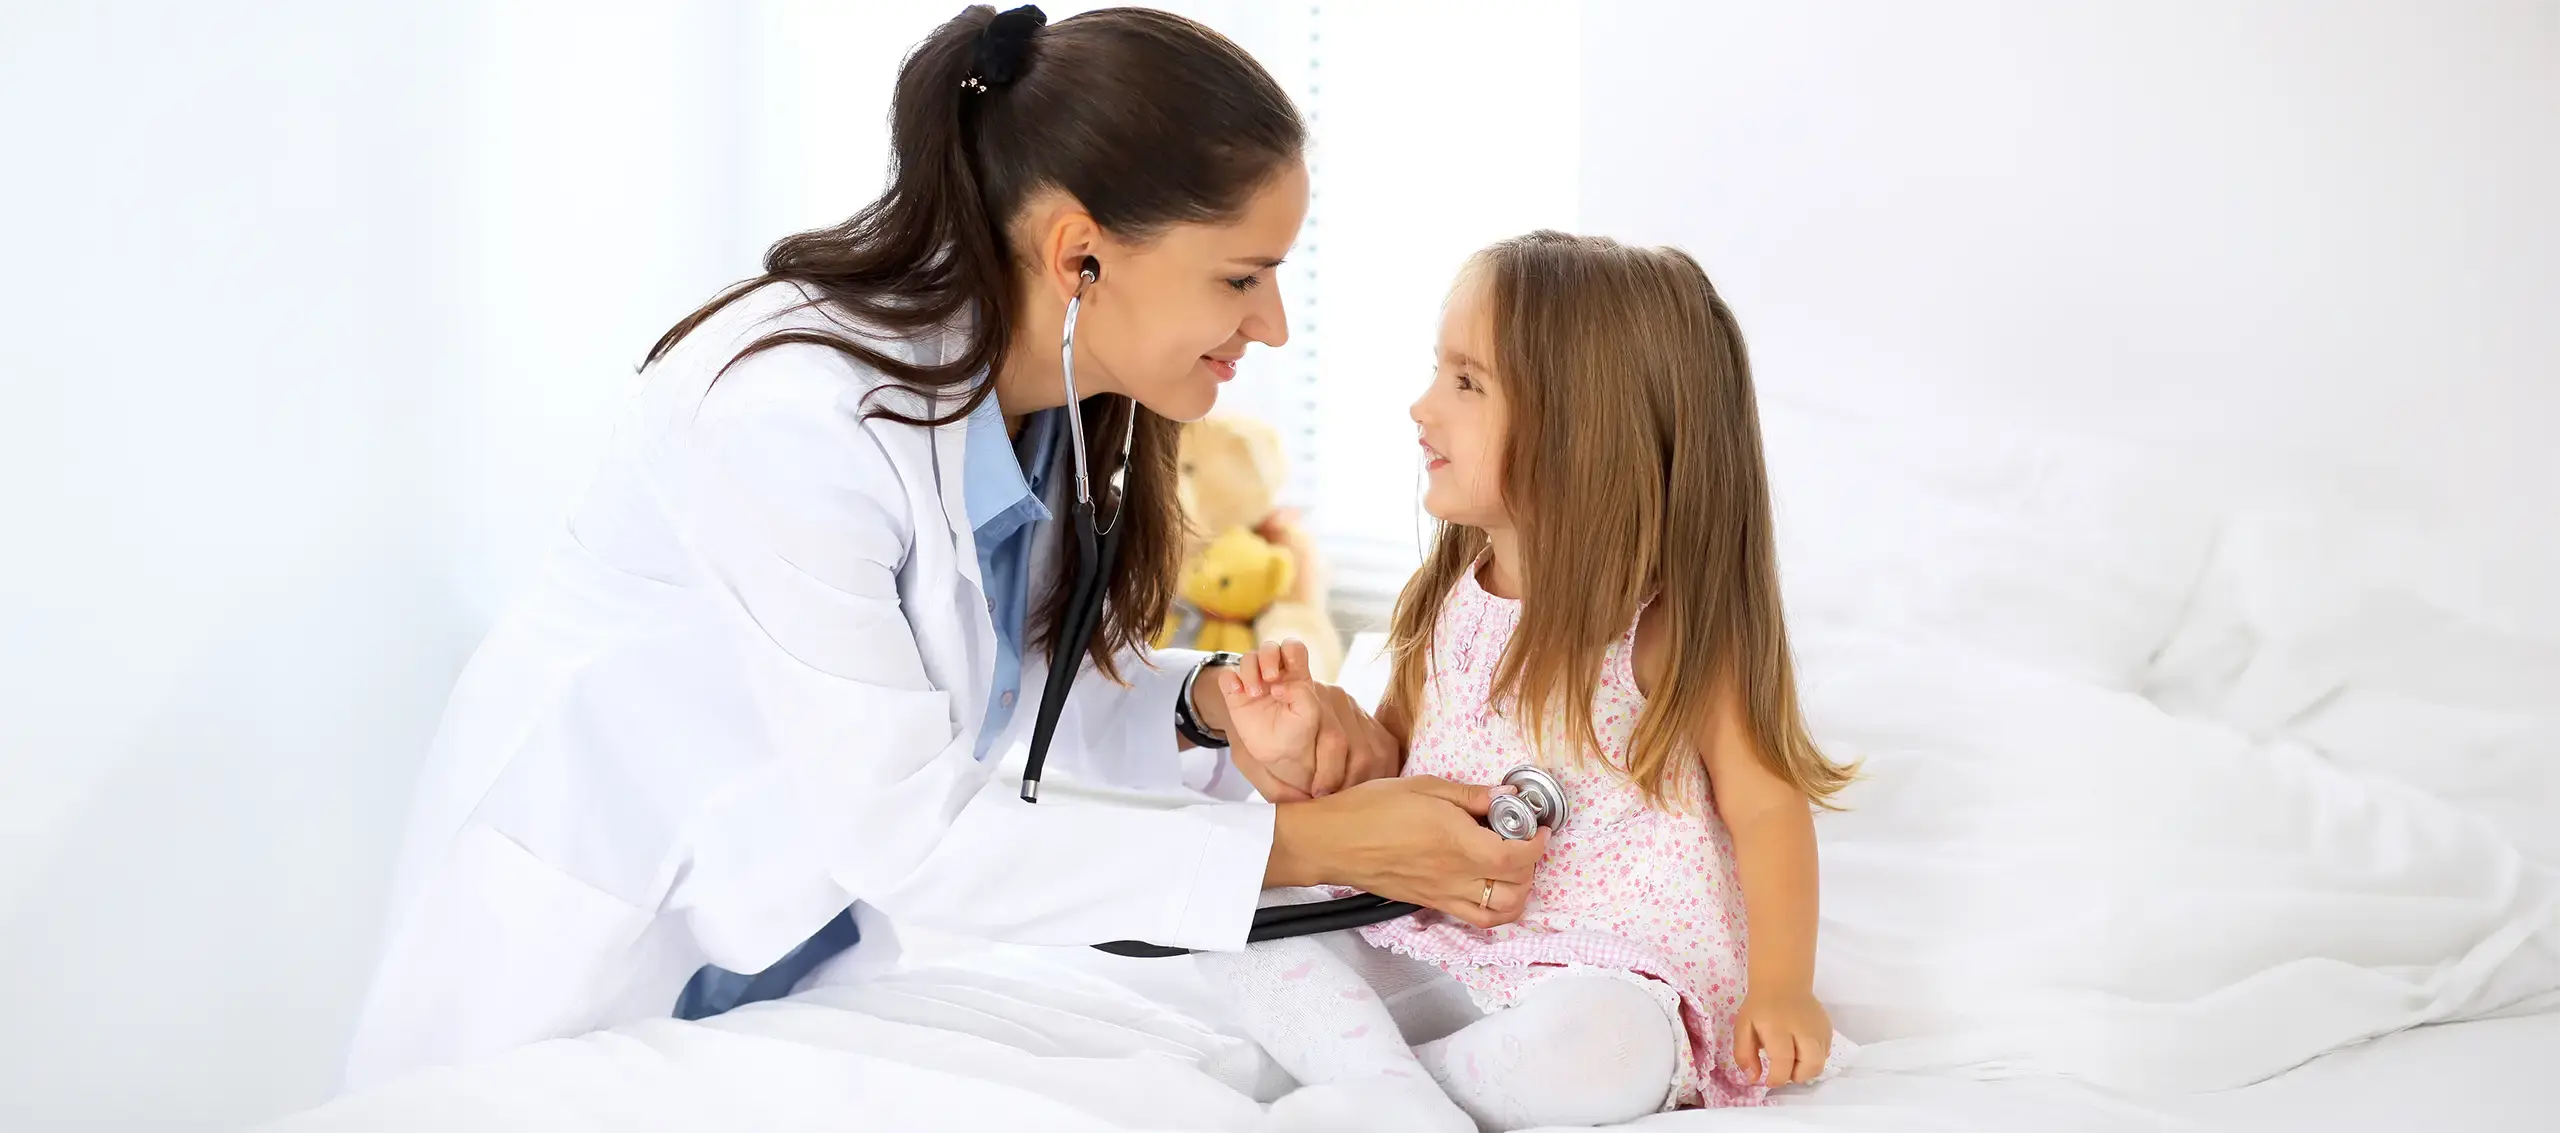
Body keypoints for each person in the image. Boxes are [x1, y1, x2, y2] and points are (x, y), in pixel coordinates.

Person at [341, 5, 1543, 1092]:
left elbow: (1004, 675)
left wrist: (1211, 707)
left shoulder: (1043, 411)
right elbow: (911, 825)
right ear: (1080, 252)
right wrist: (1313, 844)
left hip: (797, 931)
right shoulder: (788, 416)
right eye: (1242, 275)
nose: (1273, 325)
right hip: (598, 923)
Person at [1200, 232, 1859, 1132]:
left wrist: (1785, 988)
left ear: (1586, 431)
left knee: (1610, 1049)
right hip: (1438, 937)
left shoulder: (1663, 627)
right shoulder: (1445, 603)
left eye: (1467, 383)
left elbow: (1769, 809)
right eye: (1440, 371)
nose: (1422, 406)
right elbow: (1399, 766)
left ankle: (1358, 1076)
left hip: (1603, 970)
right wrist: (1319, 733)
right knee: (1231, 906)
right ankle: (1394, 1093)